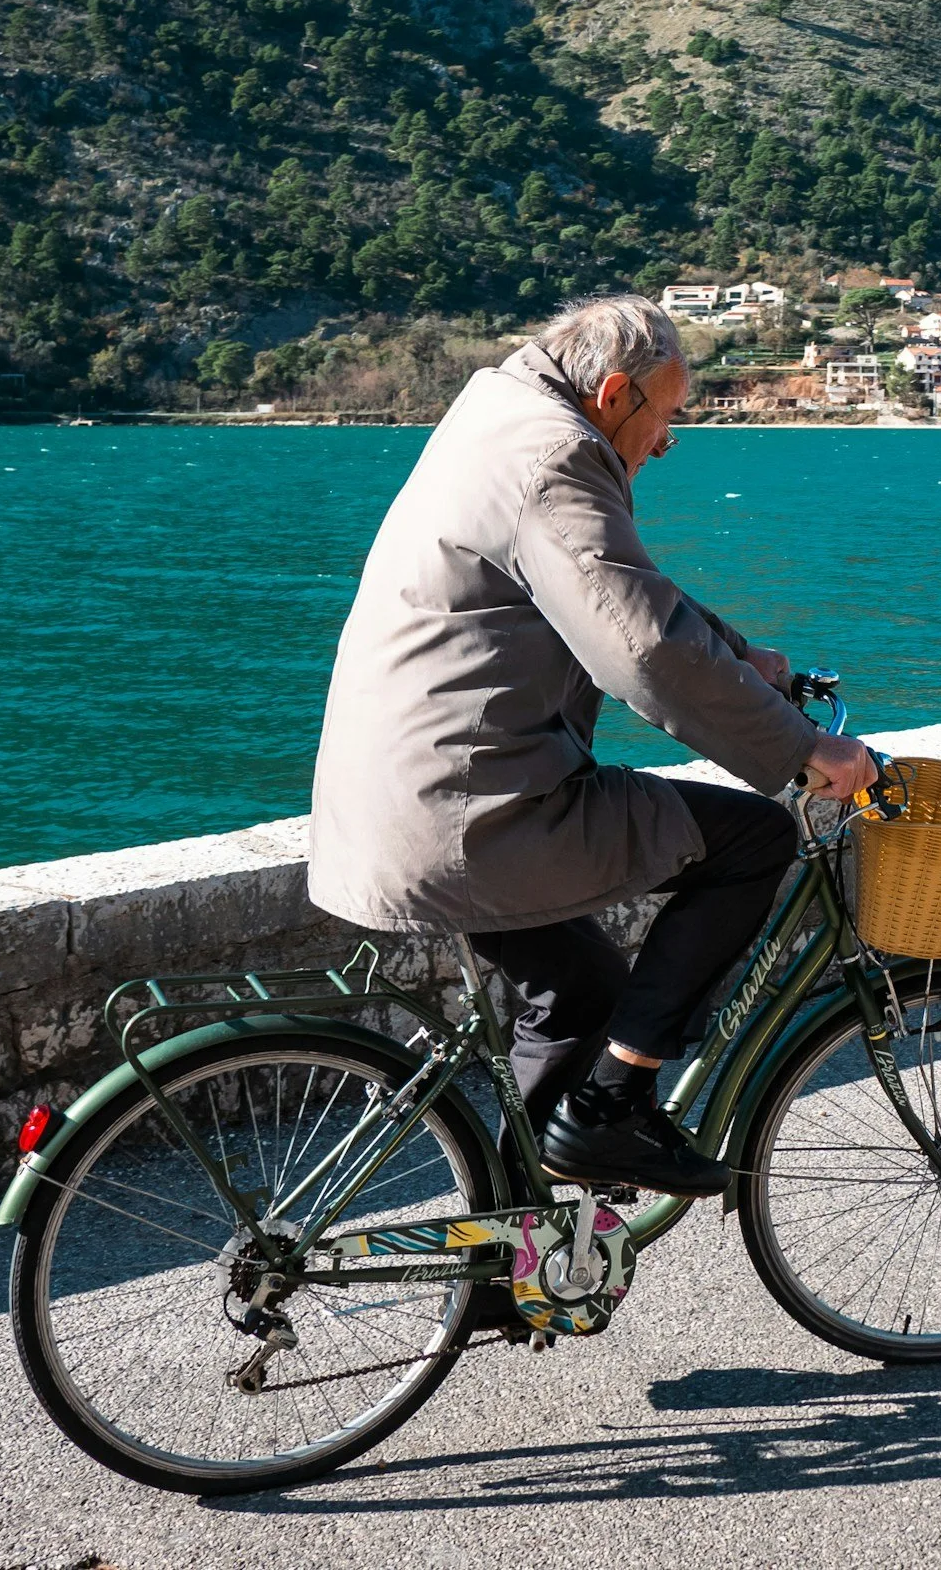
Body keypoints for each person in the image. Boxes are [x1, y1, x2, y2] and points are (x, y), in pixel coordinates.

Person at [305, 294, 878, 1196]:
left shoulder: (500, 410)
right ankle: (612, 1112)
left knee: (581, 996)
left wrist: (740, 657)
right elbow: (640, 646)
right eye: (669, 415)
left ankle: (506, 1255)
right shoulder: (557, 456)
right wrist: (806, 748)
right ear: (614, 394)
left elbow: (616, 587)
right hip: (476, 810)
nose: (668, 442)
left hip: (393, 792)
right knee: (753, 840)